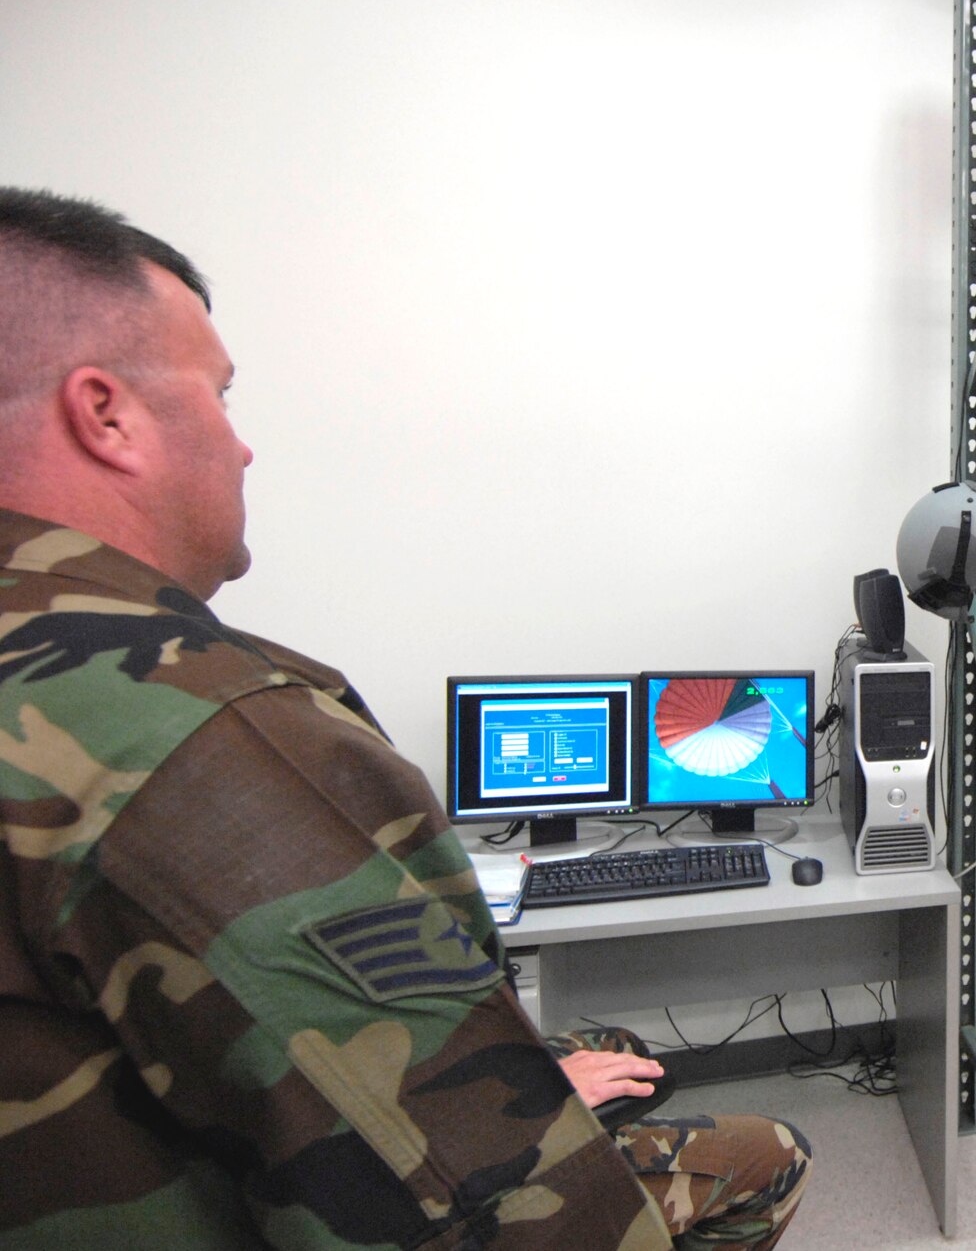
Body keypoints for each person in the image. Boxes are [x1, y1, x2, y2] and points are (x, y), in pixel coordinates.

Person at [0, 186, 810, 1248]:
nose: (243, 449)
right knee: (764, 1146)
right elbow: (478, 1213)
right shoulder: (191, 737)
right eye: (222, 395)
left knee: (589, 1033)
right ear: (105, 413)